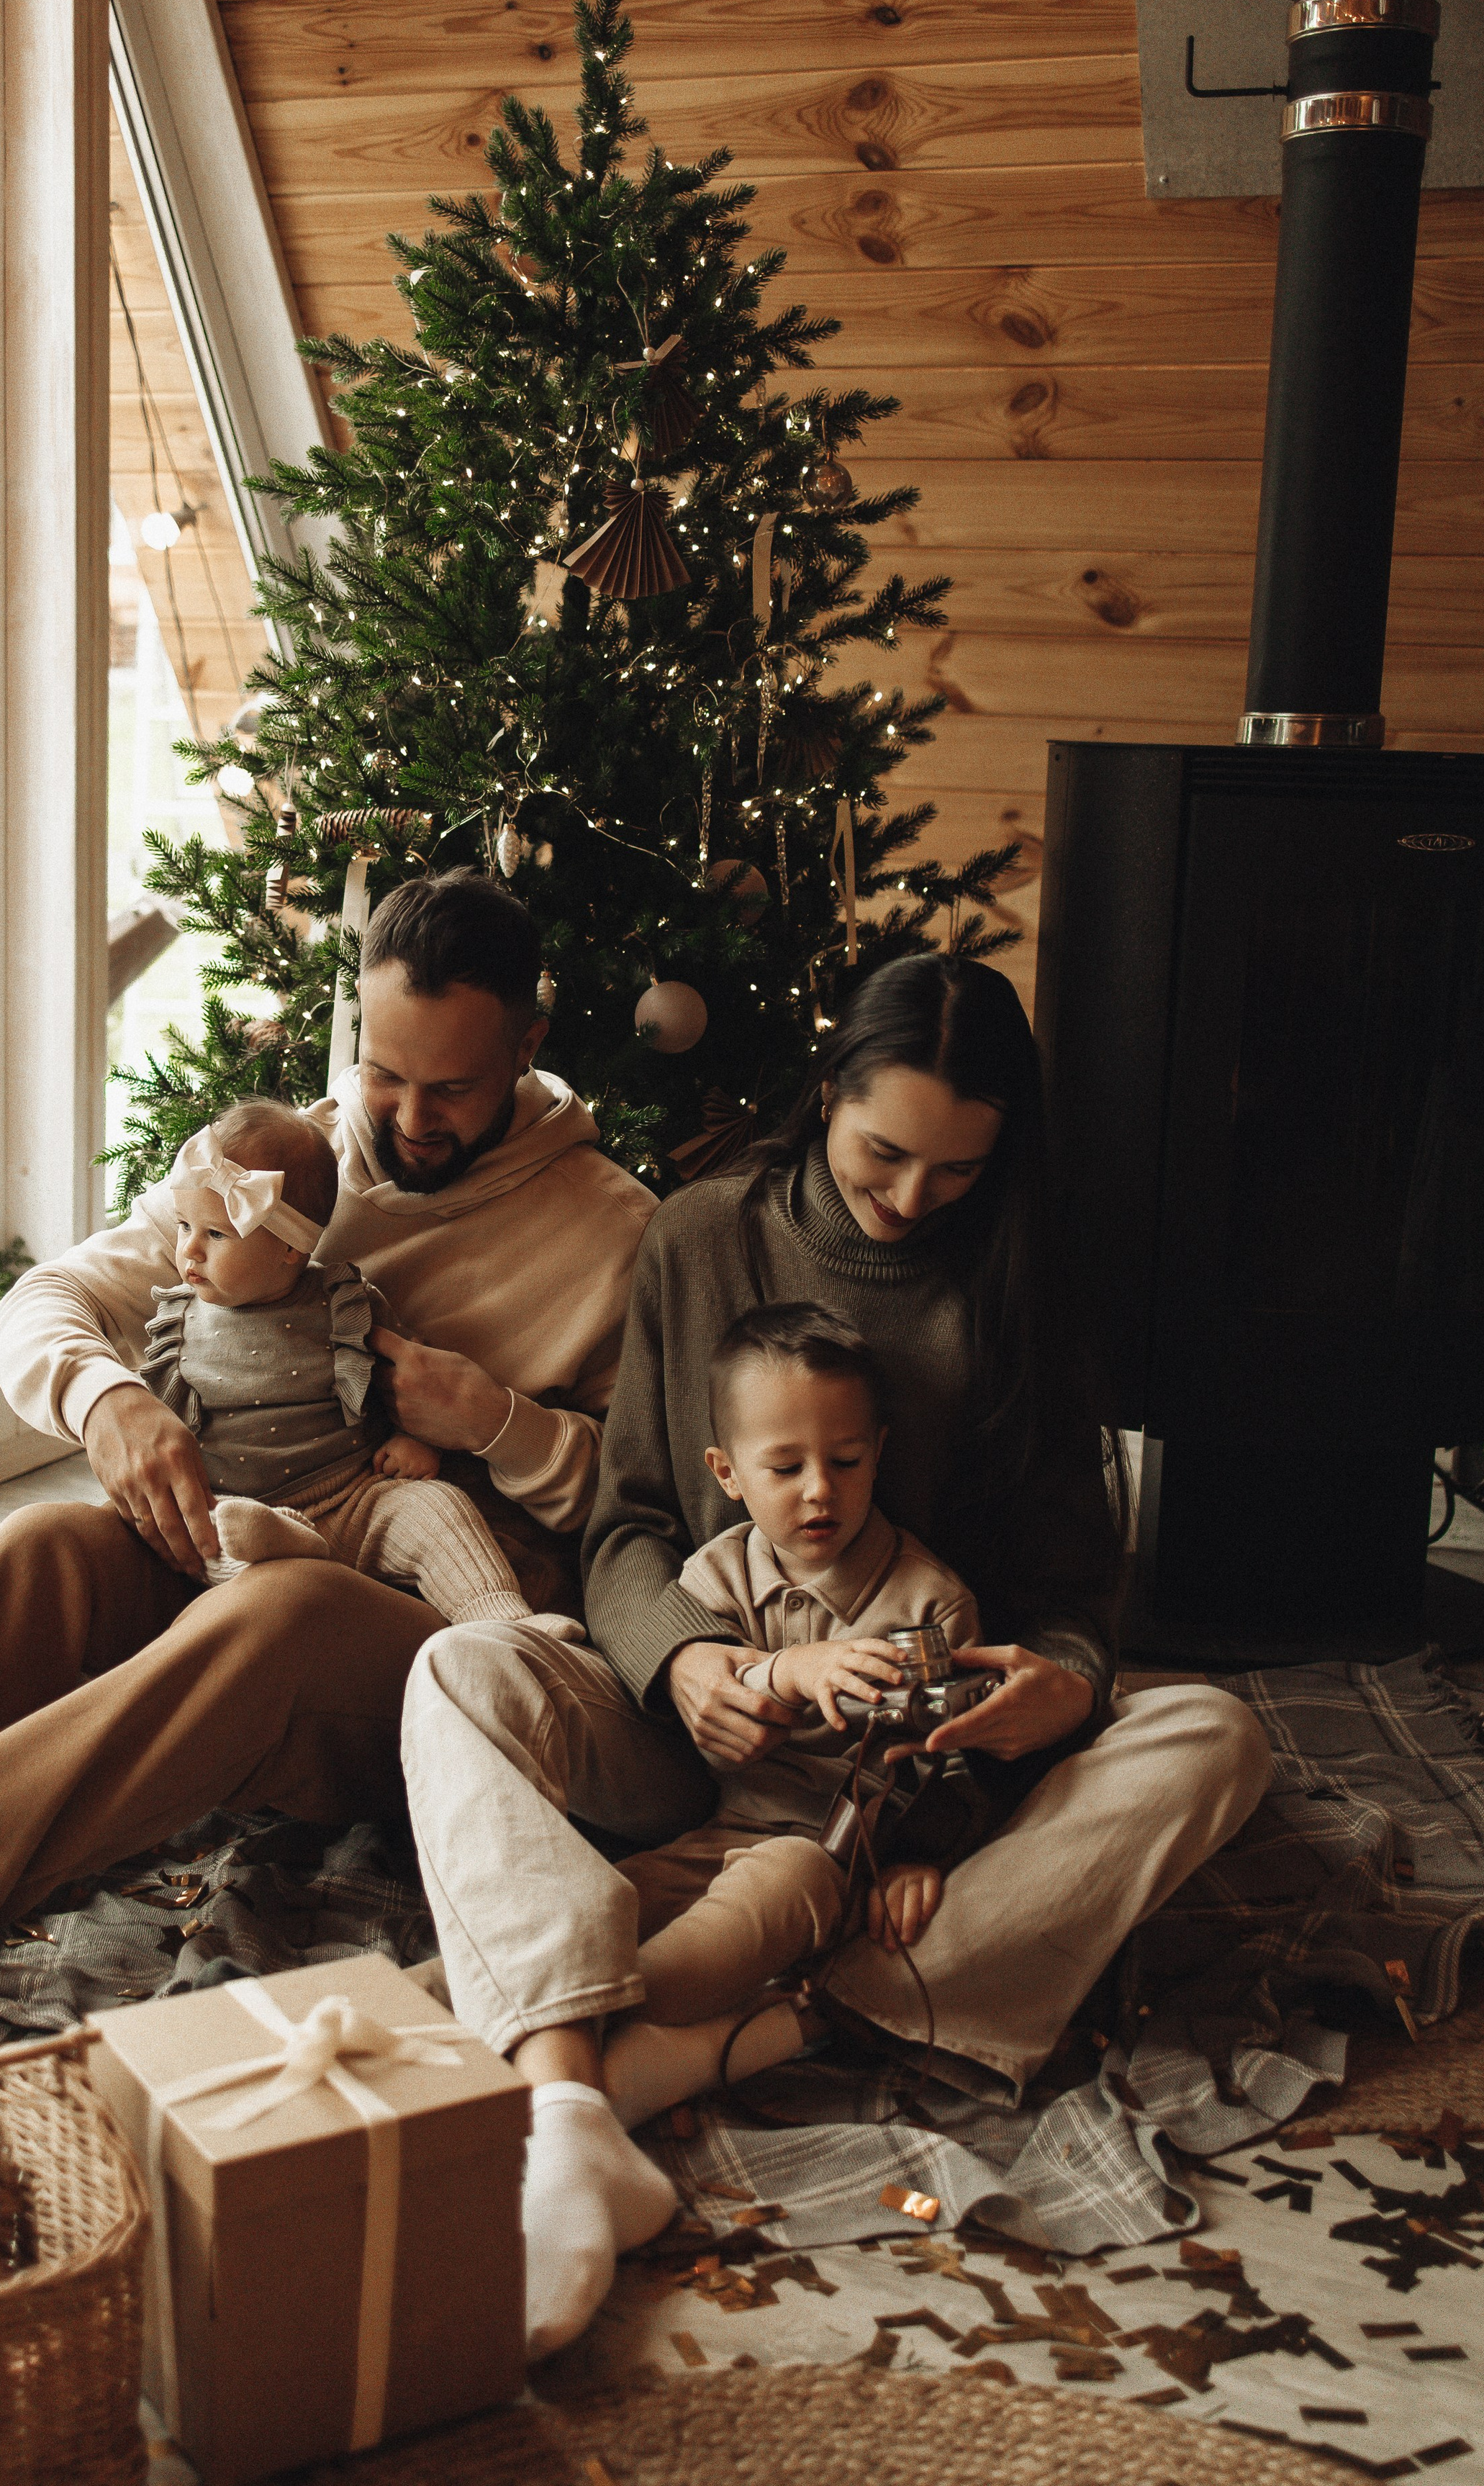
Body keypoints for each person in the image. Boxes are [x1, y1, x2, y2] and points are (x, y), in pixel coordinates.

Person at [401, 952, 1274, 2357]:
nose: (913, 1199)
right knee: (460, 1672)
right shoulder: (699, 1235)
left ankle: (744, 2023)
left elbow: (1068, 1593)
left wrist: (1055, 1684)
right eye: (883, 1155)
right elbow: (627, 1520)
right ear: (823, 1099)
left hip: (913, 1785)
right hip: (699, 1725)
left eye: (956, 1173)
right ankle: (573, 2105)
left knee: (1214, 1738)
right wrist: (685, 1661)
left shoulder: (1022, 1278)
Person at [0, 873, 653, 2047]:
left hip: (430, 1648)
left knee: (285, 1614)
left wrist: (494, 1421)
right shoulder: (297, 1165)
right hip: (250, 1545)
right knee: (51, 1543)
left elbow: (637, 1517)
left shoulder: (611, 1235)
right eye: (384, 1072)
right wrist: (110, 1397)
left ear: (529, 1046)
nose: (406, 1116)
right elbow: (53, 1299)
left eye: (452, 1088)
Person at [601, 1298, 979, 2113]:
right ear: (726, 1473)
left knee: (788, 1876)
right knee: (607, 1899)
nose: (819, 1492)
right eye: (784, 1469)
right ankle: (454, 1991)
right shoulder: (715, 1578)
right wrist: (788, 1670)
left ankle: (607, 2007)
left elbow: (951, 1758)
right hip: (715, 1834)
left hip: (830, 1863)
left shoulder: (930, 1603)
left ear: (879, 1455)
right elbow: (703, 1711)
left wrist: (922, 1858)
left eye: (845, 1461)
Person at [149, 1097, 546, 1628]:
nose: (190, 1252)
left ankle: (506, 1623)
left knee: (438, 1510)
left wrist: (416, 1440)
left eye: (215, 1234)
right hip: (242, 1509)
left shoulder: (344, 1301)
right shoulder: (178, 1322)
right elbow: (158, 1427)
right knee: (209, 1535)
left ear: (291, 1247)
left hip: (356, 1496)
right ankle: (285, 1549)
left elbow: (408, 1378)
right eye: (183, 1227)